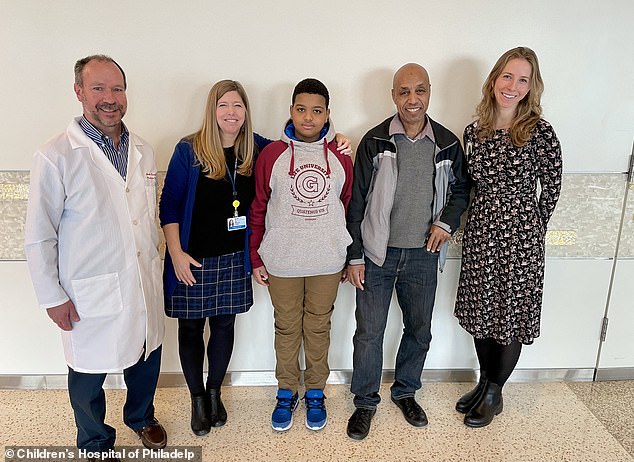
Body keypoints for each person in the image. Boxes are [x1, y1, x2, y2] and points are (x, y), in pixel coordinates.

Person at [160, 80, 352, 437]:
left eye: (237, 106)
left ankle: (216, 394)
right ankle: (198, 400)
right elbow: (169, 204)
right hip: (193, 257)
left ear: (246, 112)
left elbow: (306, 155)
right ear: (211, 110)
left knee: (224, 328)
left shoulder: (257, 149)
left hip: (232, 258)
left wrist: (339, 141)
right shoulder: (189, 150)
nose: (230, 113)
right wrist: (176, 253)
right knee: (190, 329)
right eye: (223, 105)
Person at [24, 55, 166, 460]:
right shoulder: (56, 155)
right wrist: (51, 296)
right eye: (99, 88)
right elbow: (38, 235)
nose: (110, 98)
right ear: (79, 92)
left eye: (117, 89)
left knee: (146, 355)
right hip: (87, 289)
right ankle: (94, 439)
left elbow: (144, 217)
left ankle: (141, 417)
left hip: (140, 278)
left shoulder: (143, 150)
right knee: (87, 375)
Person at [345, 63, 470, 440]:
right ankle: (365, 403)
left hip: (422, 256)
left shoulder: (447, 143)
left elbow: (462, 190)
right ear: (393, 96)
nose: (412, 99)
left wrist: (445, 223)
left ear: (429, 92)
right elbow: (356, 202)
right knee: (369, 333)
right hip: (376, 257)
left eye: (419, 90)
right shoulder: (375, 141)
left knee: (419, 330)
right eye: (403, 91)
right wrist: (354, 255)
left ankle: (405, 392)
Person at [453, 47, 562, 428]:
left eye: (522, 79)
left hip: (520, 242)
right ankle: (484, 382)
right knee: (481, 313)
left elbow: (551, 188)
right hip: (482, 235)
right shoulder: (474, 131)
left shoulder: (540, 132)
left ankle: (496, 393)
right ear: (494, 80)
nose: (512, 86)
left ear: (531, 87)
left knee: (509, 317)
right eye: (507, 76)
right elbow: (467, 184)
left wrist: (529, 229)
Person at [250, 78, 353, 432]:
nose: (308, 118)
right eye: (301, 109)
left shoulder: (341, 156)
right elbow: (259, 208)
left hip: (326, 261)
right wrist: (256, 257)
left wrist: (343, 250)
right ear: (291, 111)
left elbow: (347, 203)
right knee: (287, 328)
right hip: (282, 261)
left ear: (327, 114)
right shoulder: (271, 156)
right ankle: (285, 391)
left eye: (317, 111)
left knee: (319, 328)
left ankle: (315, 392)